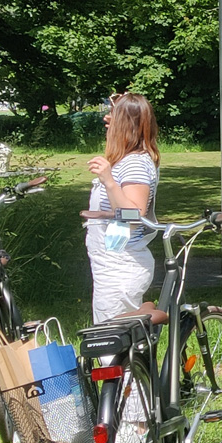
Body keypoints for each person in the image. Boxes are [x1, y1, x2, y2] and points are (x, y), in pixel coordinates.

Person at [87, 93, 161, 325]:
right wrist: (119, 103)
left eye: (113, 116)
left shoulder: (135, 163)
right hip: (113, 263)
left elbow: (134, 215)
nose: (106, 119)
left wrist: (109, 181)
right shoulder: (127, 159)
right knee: (117, 345)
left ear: (126, 124)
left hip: (121, 267)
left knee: (109, 344)